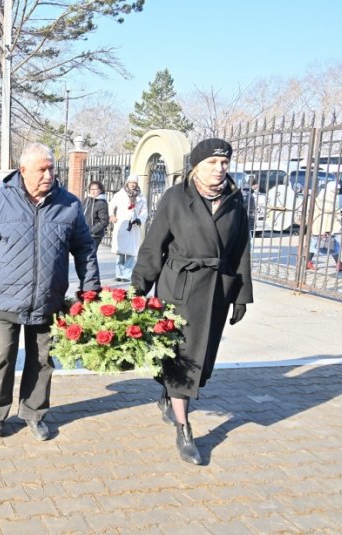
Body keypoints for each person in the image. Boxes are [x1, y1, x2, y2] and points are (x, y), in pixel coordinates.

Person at [0, 142, 100, 441]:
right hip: (3, 298)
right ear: (23, 170)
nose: (48, 175)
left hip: (47, 299)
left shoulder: (69, 204)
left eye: (52, 168)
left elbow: (85, 250)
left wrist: (90, 291)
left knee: (42, 360)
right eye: (42, 169)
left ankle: (34, 413)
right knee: (0, 359)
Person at [131, 138, 253, 465]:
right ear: (196, 166)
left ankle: (168, 396)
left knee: (202, 359)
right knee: (183, 357)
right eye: (212, 163)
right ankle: (184, 429)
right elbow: (153, 247)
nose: (219, 169)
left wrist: (241, 295)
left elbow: (241, 250)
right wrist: (138, 289)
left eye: (224, 163)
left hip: (215, 290)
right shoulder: (175, 198)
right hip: (179, 289)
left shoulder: (235, 200)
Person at [109, 174, 148, 282]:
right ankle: (119, 273)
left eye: (134, 183)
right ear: (127, 183)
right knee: (120, 251)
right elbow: (111, 205)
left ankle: (127, 274)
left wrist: (139, 219)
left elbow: (144, 211)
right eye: (131, 182)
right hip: (122, 224)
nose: (132, 185)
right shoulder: (120, 194)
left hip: (134, 226)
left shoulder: (141, 197)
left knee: (131, 252)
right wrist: (112, 215)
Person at [307, 180, 342, 272]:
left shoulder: (321, 197)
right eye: (335, 190)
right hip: (326, 227)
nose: (336, 193)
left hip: (317, 226)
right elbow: (329, 216)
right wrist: (327, 230)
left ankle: (308, 262)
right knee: (333, 245)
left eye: (337, 191)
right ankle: (339, 264)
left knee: (314, 245)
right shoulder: (329, 200)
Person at [82, 180, 110, 254]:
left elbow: (104, 221)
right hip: (84, 234)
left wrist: (91, 231)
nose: (93, 191)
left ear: (100, 190)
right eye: (92, 189)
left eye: (95, 189)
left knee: (90, 256)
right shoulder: (87, 200)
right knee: (84, 257)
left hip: (94, 236)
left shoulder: (101, 203)